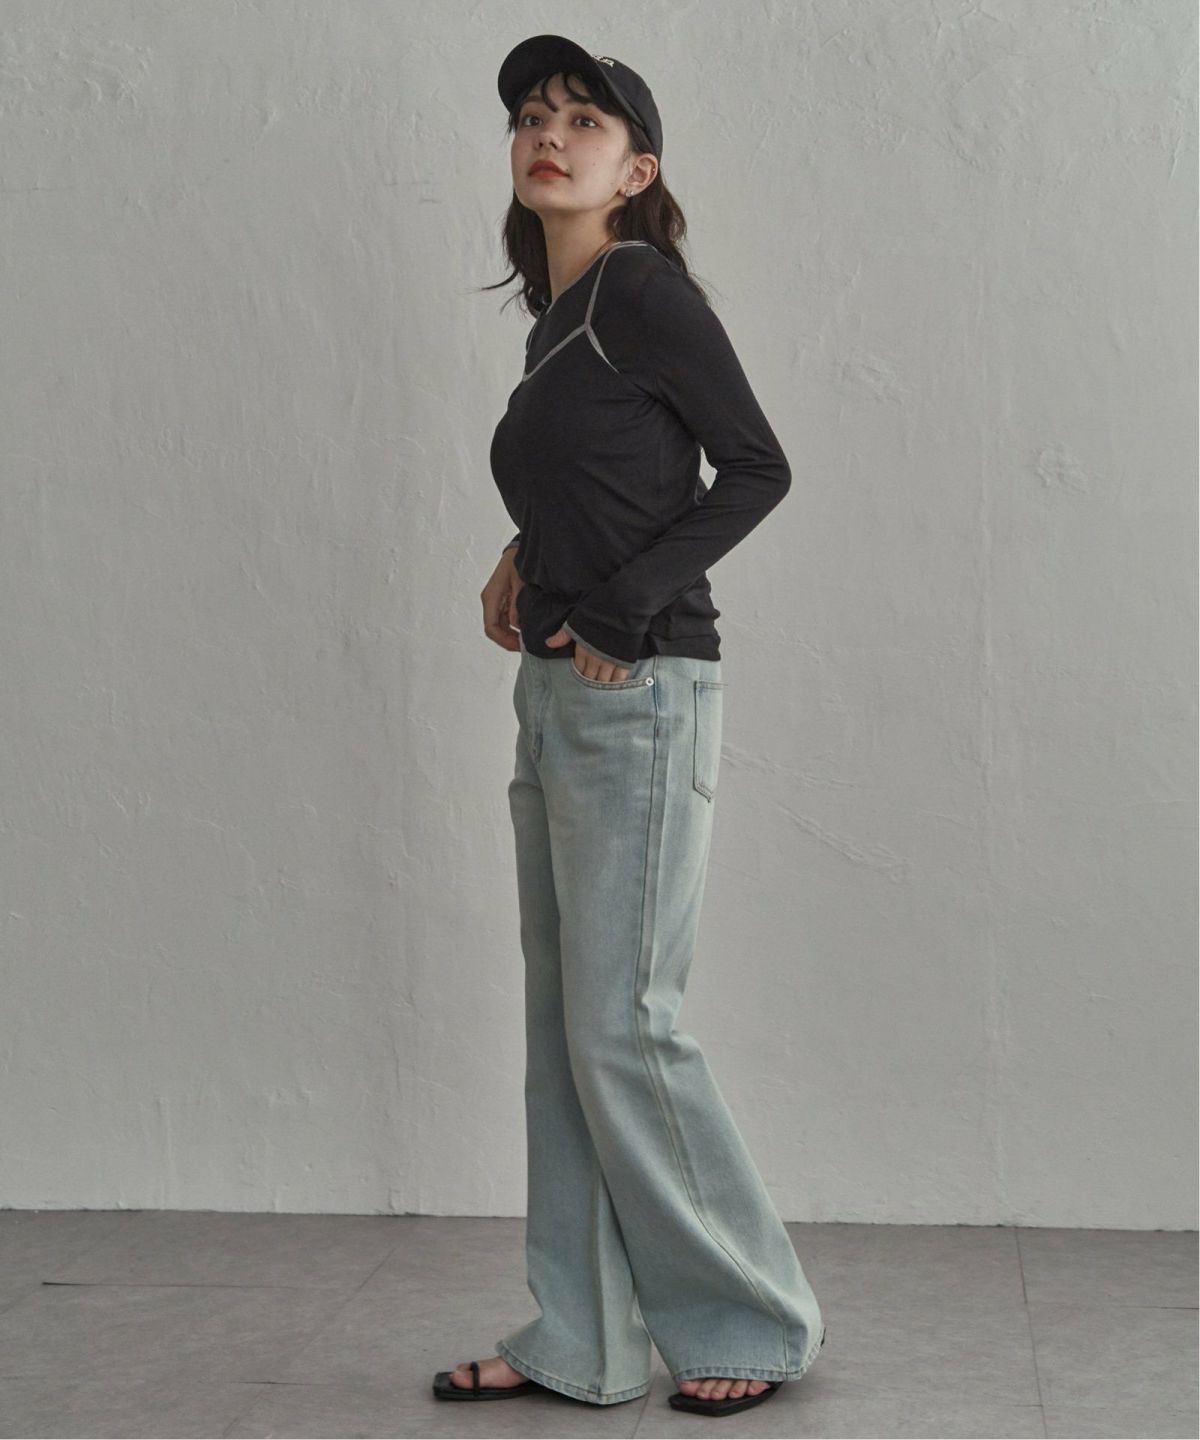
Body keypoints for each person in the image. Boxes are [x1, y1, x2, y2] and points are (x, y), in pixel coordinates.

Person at [432, 34, 825, 1420]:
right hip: (558, 694)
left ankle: (752, 1319)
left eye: (584, 120)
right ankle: (581, 1340)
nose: (549, 133)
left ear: (637, 169)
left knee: (625, 1028)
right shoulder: (564, 318)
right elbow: (608, 476)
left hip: (639, 691)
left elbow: (757, 467)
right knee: (567, 1040)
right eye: (532, 117)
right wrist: (520, 554)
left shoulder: (643, 291)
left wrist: (617, 607)